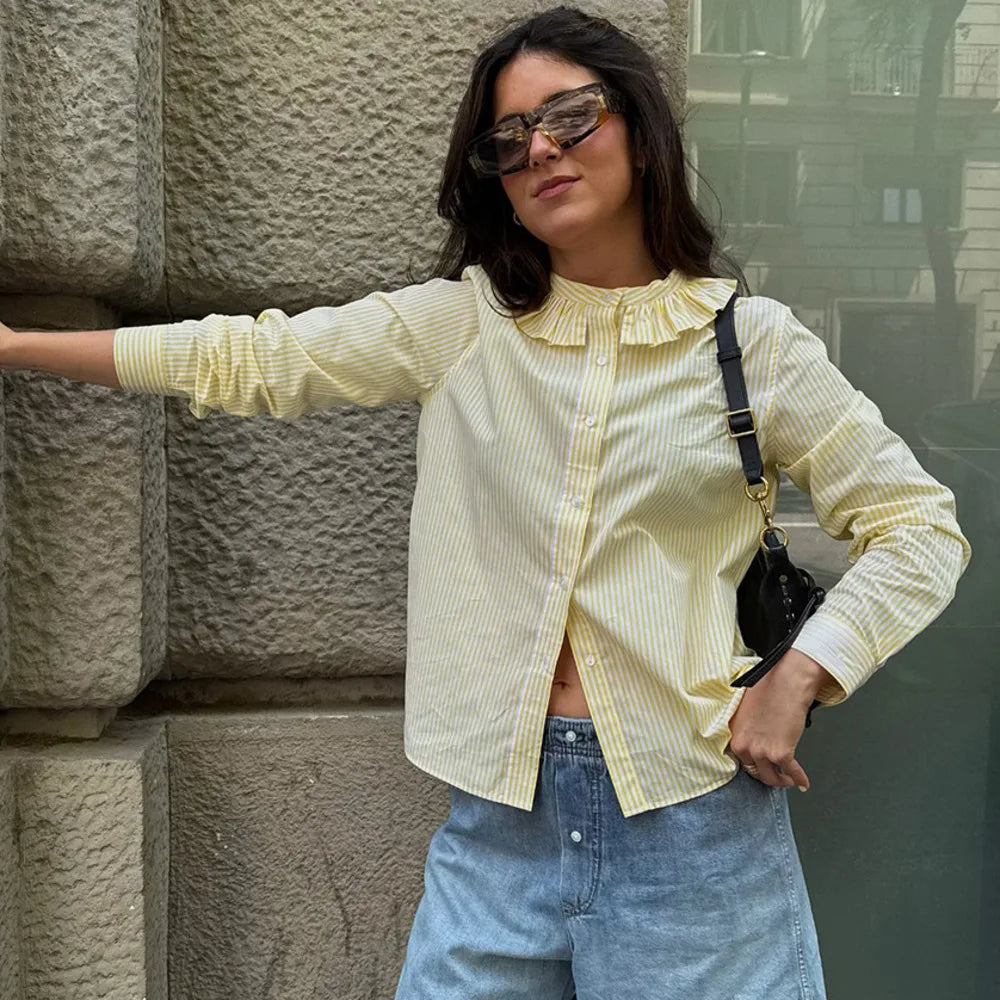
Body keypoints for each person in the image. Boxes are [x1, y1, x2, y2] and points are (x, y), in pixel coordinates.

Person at [0, 7, 970, 999]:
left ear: (638, 126)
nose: (540, 149)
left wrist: (799, 673)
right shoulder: (462, 325)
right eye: (507, 141)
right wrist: (17, 344)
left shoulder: (749, 341)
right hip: (498, 826)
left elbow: (916, 527)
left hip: (694, 826)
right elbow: (255, 357)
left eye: (569, 117)